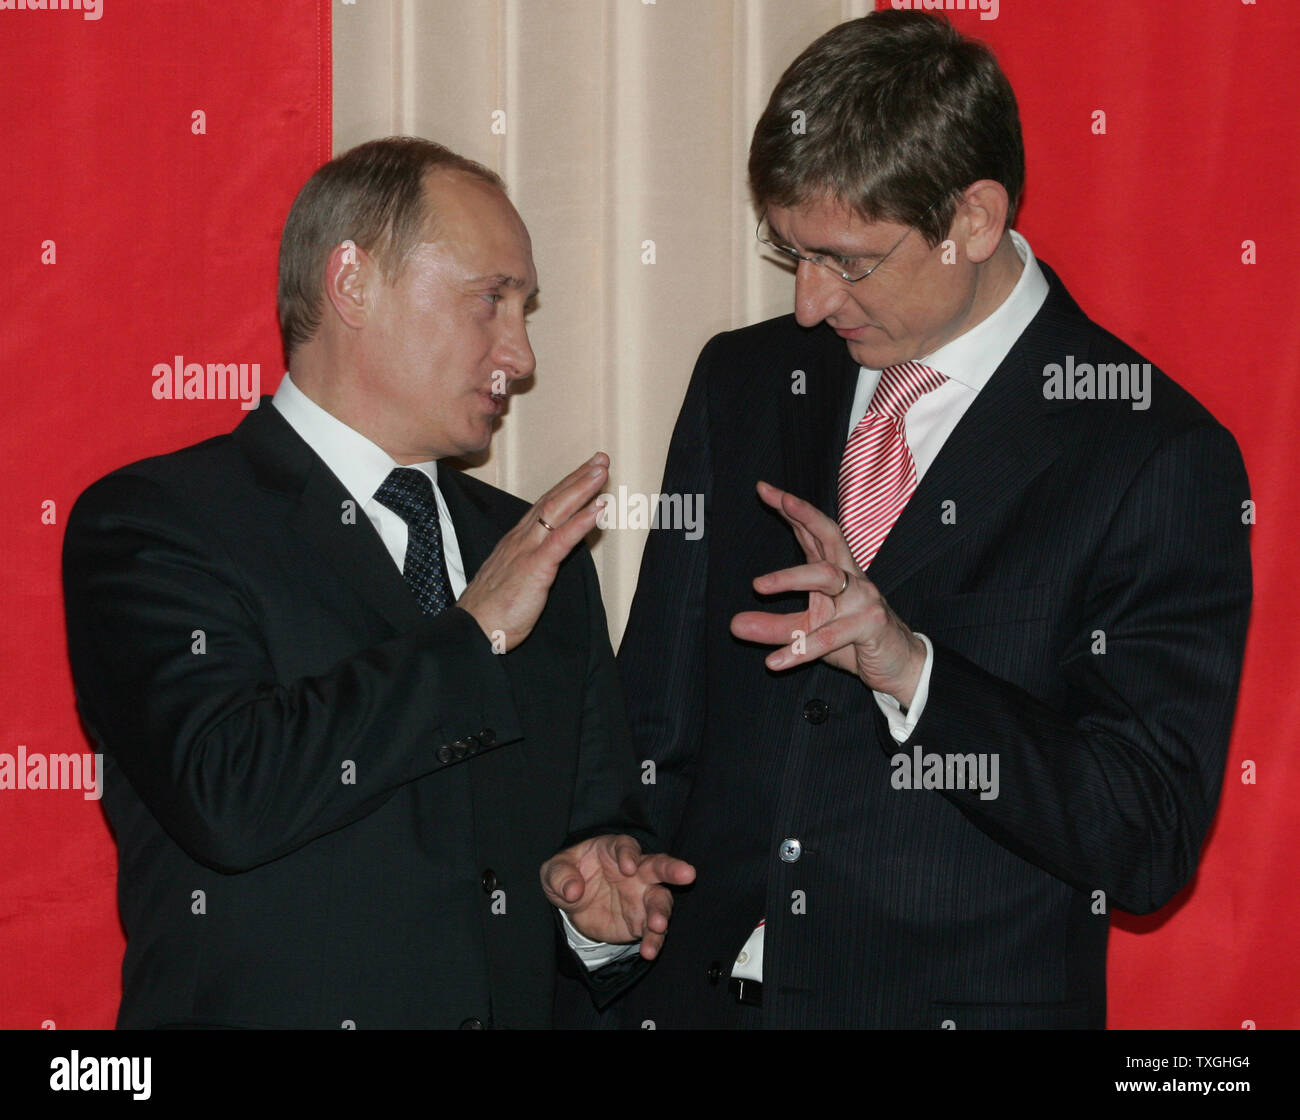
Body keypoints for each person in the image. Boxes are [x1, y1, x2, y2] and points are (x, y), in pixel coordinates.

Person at [613, 11, 1251, 1029]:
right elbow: (653, 712)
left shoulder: (1150, 453)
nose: (812, 303)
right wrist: (603, 864)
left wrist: (911, 670)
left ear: (976, 219)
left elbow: (1145, 836)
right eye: (790, 253)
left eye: (849, 259)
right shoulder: (742, 379)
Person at [62, 136, 693, 1030]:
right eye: (491, 302)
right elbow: (226, 793)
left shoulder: (530, 549)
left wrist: (597, 912)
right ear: (352, 283)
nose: (519, 354)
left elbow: (589, 834)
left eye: (526, 309)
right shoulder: (157, 524)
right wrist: (471, 637)